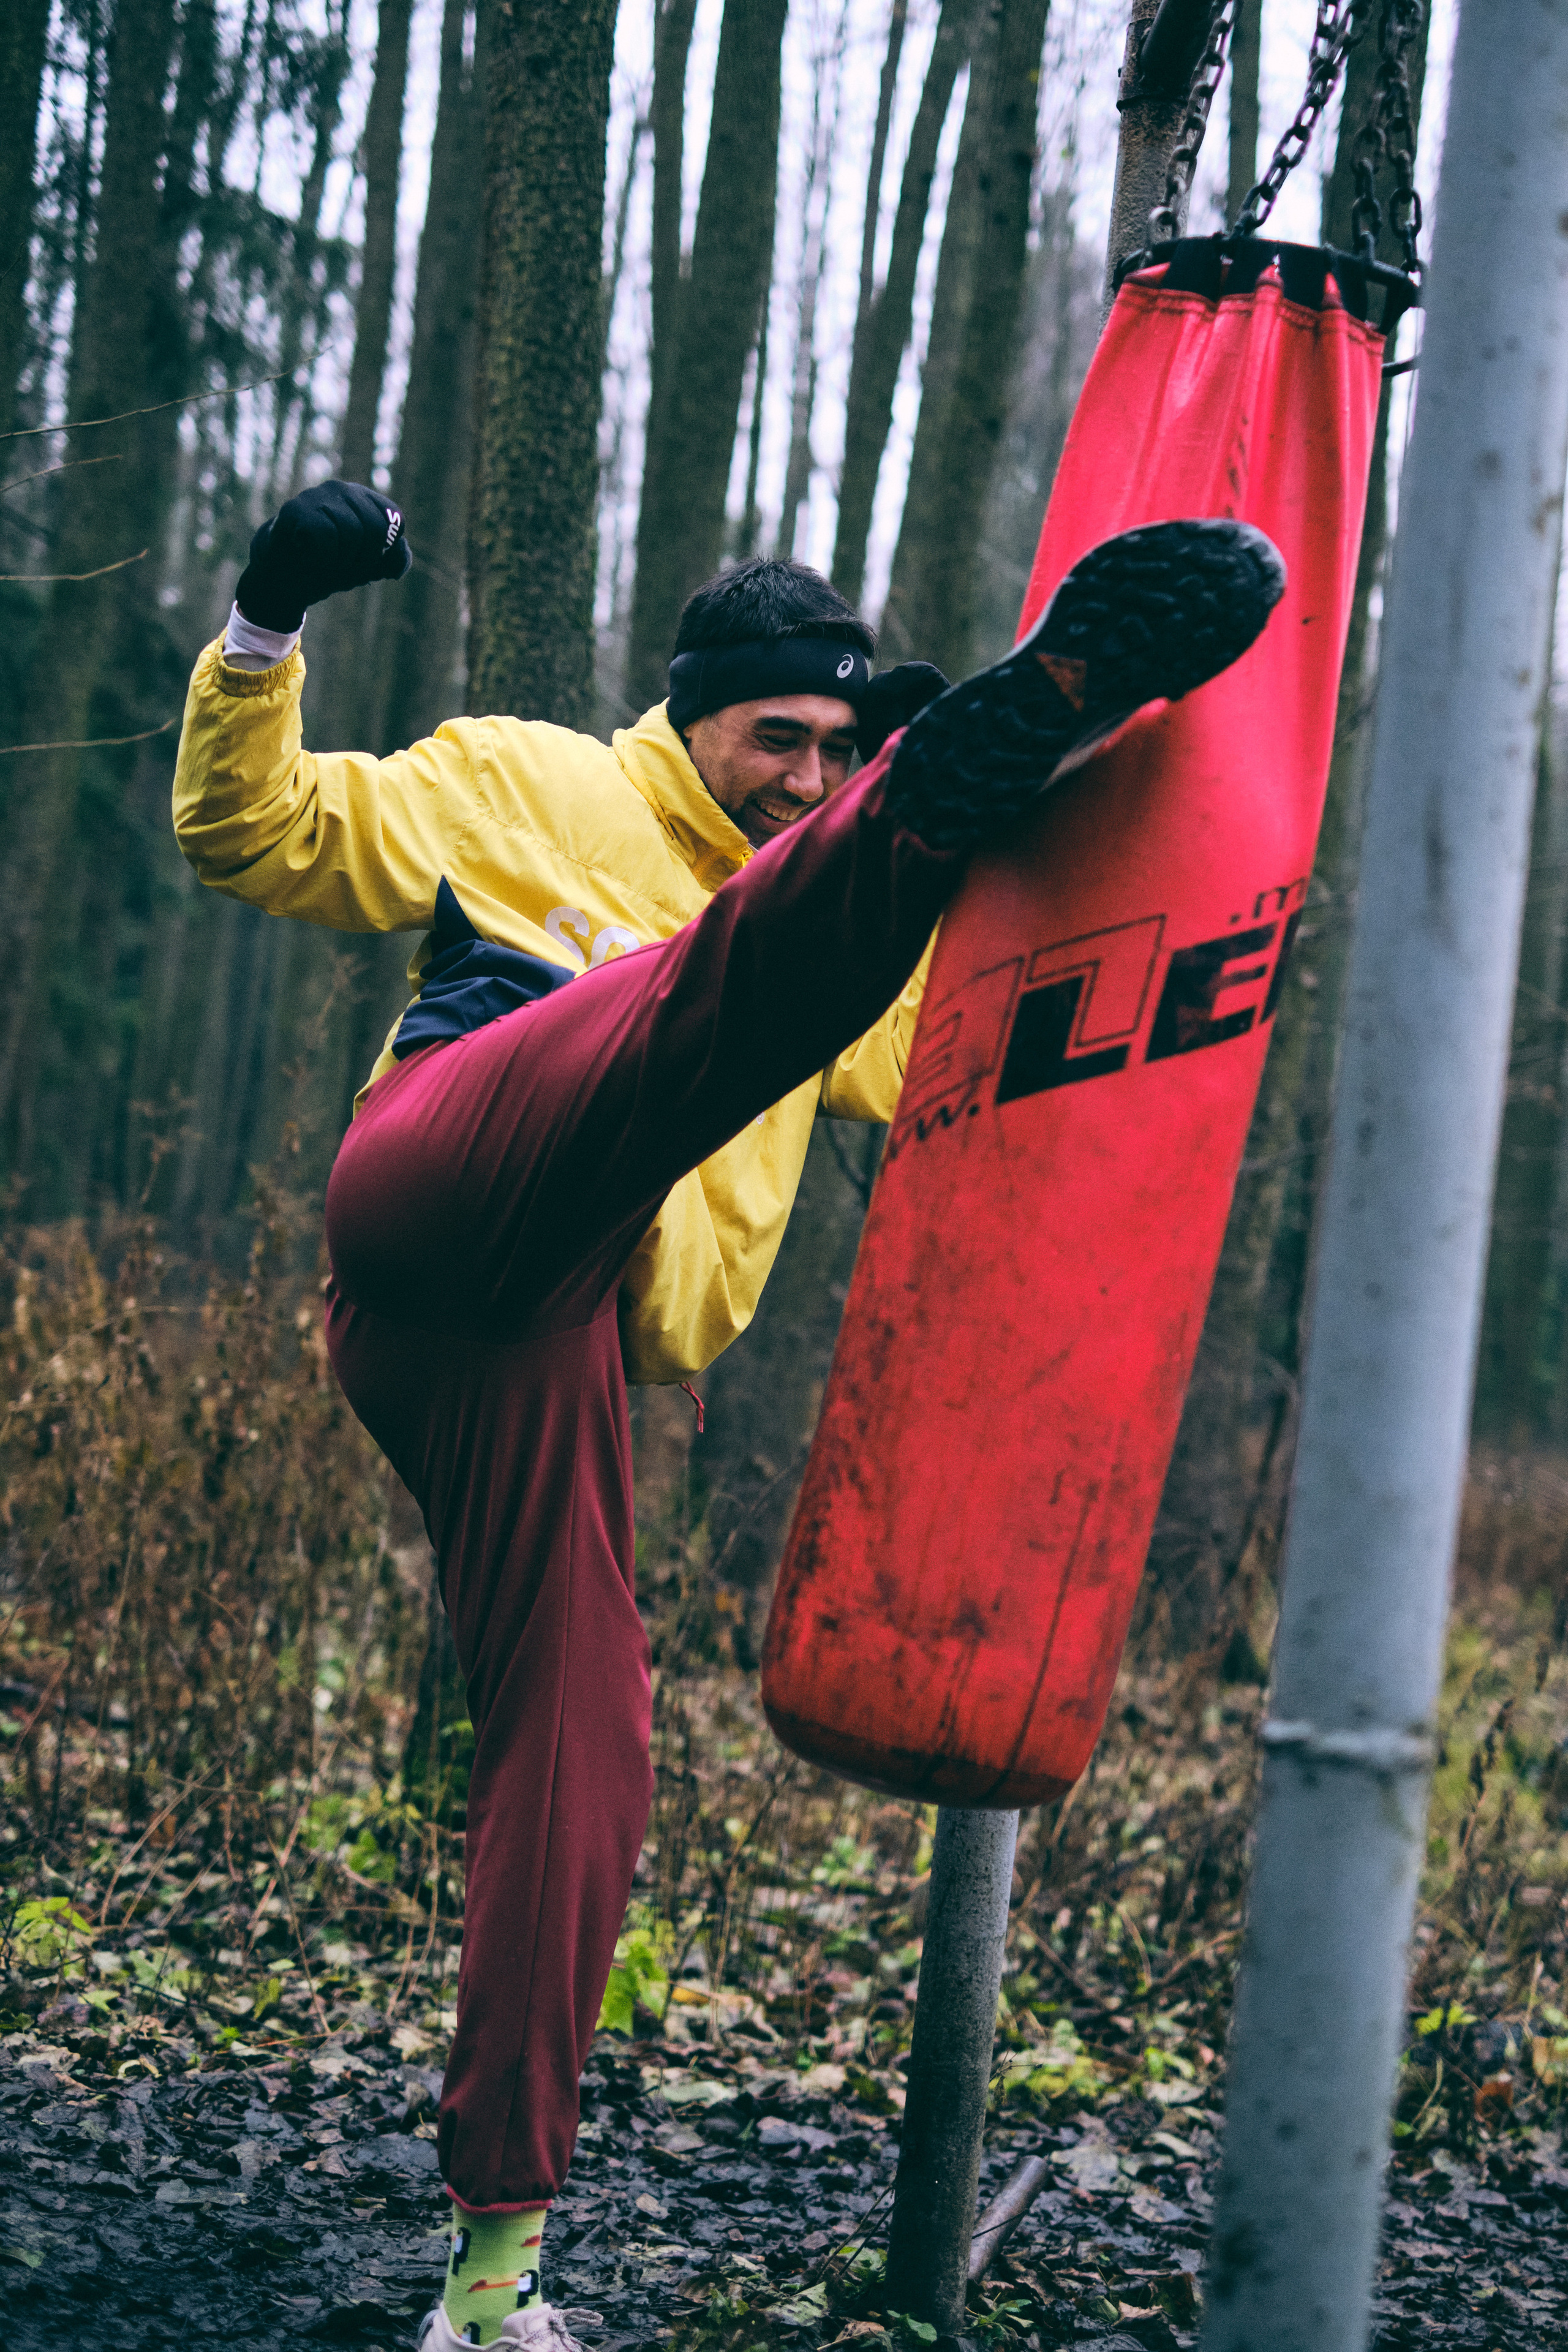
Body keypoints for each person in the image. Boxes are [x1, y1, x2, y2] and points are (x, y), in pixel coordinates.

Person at [172, 482, 1283, 2349]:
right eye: (790, 738)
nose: (800, 768)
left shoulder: (817, 949)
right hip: (441, 1184)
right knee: (691, 1000)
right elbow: (248, 830)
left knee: (588, 1744)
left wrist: (1160, 864)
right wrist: (267, 626)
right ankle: (955, 774)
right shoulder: (519, 782)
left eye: (844, 751)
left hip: (549, 1342)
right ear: (695, 713)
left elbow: (947, 1038)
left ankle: (492, 2278)